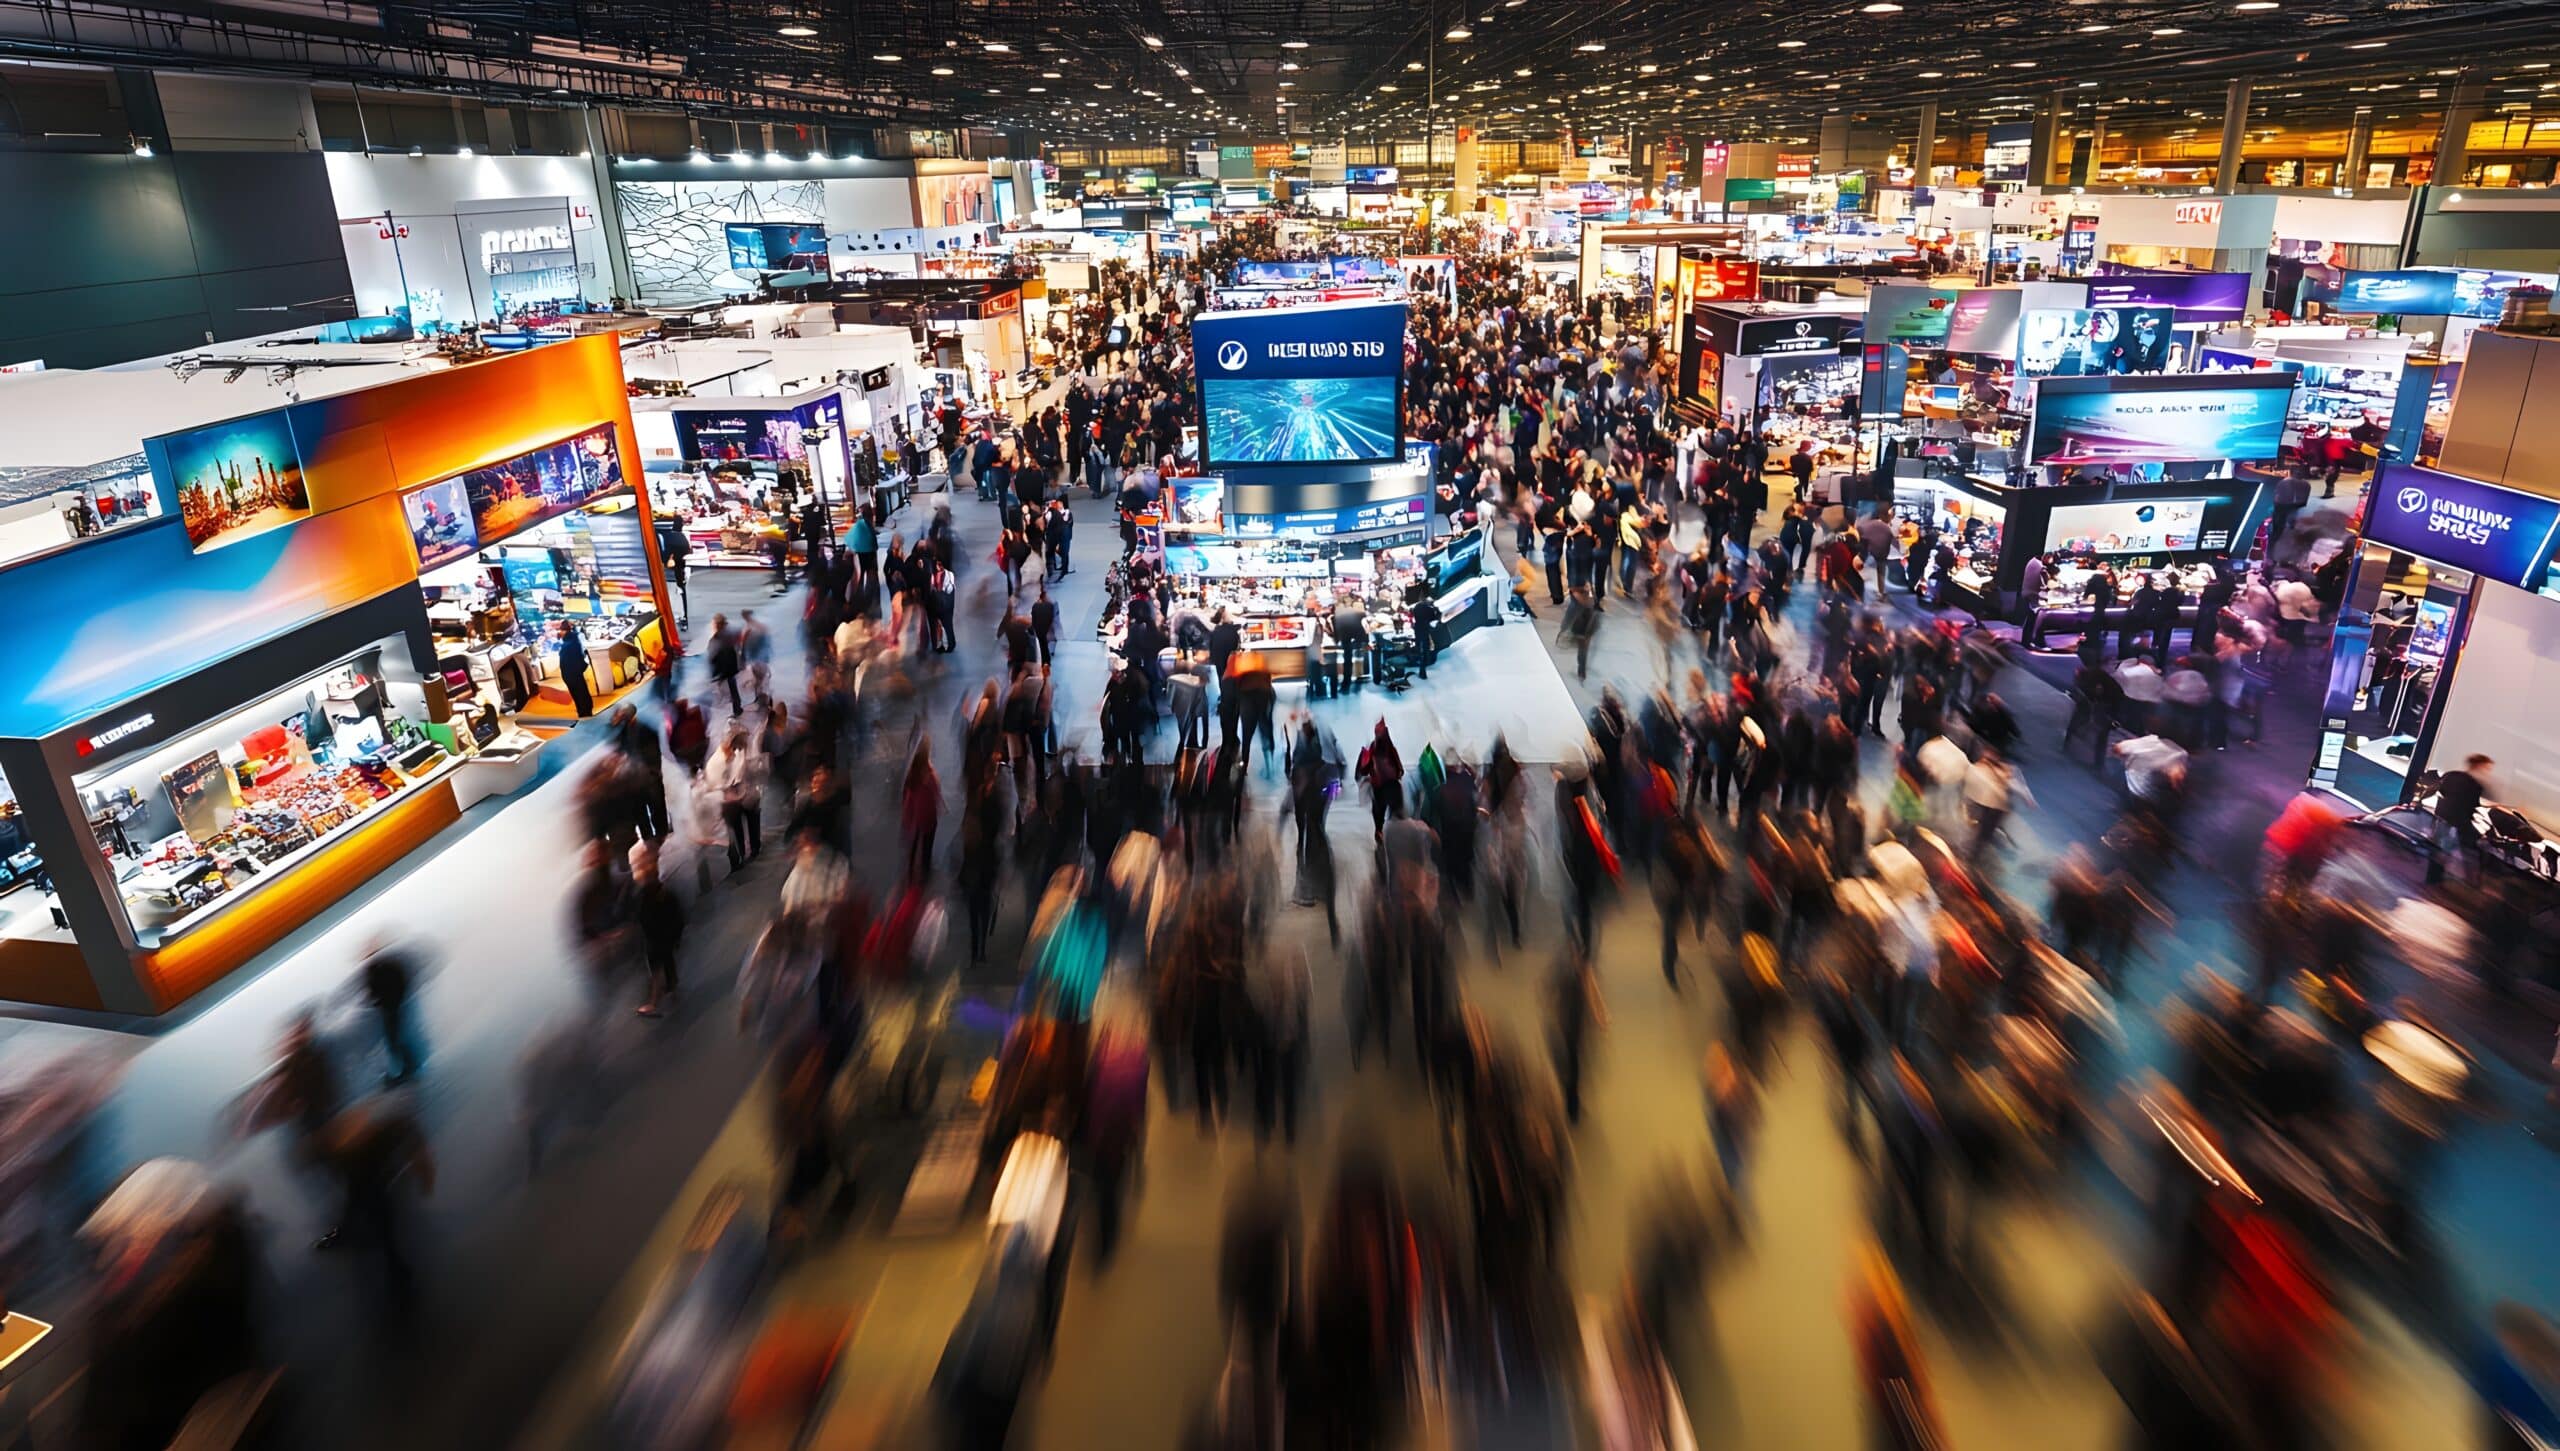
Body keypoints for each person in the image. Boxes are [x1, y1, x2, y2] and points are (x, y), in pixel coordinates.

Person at [632, 841, 685, 1018]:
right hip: (666, 932)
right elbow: (675, 912)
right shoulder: (663, 889)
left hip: (655, 936)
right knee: (667, 961)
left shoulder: (646, 888)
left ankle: (654, 1004)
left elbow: (643, 914)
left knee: (656, 970)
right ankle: (672, 988)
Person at [359, 939, 424, 1085]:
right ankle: (409, 1067)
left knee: (396, 1038)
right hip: (391, 1007)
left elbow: (376, 990)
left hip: (391, 1007)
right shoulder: (381, 967)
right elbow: (399, 982)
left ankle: (409, 1068)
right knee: (396, 1039)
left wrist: (379, 1001)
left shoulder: (378, 969)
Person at [2429, 753, 2493, 885]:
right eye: (2486, 768)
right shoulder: (2475, 786)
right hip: (2458, 821)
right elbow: (2474, 804)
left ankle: (2433, 877)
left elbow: (2440, 791)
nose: (2487, 771)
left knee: (2439, 847)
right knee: (2464, 849)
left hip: (2441, 816)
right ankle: (2470, 880)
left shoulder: (2451, 775)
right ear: (2479, 766)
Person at [1359, 720, 1405, 835]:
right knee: (1397, 816)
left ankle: (1379, 835)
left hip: (1378, 788)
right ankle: (1396, 836)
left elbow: (1363, 771)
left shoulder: (1372, 749)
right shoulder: (1391, 748)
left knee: (1379, 817)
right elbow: (1401, 770)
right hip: (1393, 787)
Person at [554, 620, 594, 719]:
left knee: (579, 694)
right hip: (574, 674)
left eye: (560, 630)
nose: (559, 633)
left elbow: (573, 659)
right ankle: (585, 711)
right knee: (581, 693)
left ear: (565, 631)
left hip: (571, 674)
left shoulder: (569, 643)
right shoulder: (573, 640)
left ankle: (584, 712)